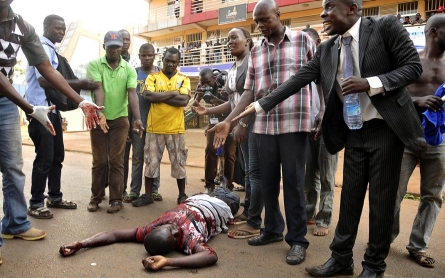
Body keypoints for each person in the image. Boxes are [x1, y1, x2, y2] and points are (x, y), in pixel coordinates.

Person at [230, 0, 423, 276]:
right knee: (351, 198)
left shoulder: (385, 27)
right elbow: (296, 80)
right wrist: (255, 108)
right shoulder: (327, 48)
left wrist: (370, 83)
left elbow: (412, 67)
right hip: (353, 129)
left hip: (386, 129)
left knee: (380, 201)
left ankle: (374, 266)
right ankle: (341, 258)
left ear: (352, 9)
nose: (322, 13)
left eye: (329, 6)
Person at [209, 0, 315, 265]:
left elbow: (318, 78)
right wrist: (230, 121)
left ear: (278, 15)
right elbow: (249, 91)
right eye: (257, 22)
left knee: (292, 183)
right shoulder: (256, 51)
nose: (261, 26)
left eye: (265, 19)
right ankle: (272, 230)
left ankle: (298, 240)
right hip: (265, 125)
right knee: (267, 182)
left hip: (295, 123)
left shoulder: (303, 41)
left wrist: (320, 114)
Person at [0, 0, 102, 265]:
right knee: (41, 159)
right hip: (17, 99)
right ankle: (33, 205)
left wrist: (81, 101)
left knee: (13, 166)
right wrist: (31, 108)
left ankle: (15, 224)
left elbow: (47, 68)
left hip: (6, 99)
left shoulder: (21, 25)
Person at [59, 179, 239, 272]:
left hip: (196, 197)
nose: (177, 230)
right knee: (233, 192)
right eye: (174, 237)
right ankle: (223, 186)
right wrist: (168, 262)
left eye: (169, 230)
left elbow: (114, 235)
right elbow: (211, 257)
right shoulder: (189, 240)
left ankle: (219, 185)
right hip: (224, 203)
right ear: (174, 245)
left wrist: (81, 243)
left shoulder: (150, 228)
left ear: (158, 228)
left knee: (217, 186)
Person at [25, 14, 99, 219]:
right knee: (45, 158)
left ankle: (55, 197)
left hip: (52, 111)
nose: (62, 31)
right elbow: (44, 81)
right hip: (41, 112)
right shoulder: (40, 47)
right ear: (46, 27)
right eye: (57, 28)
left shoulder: (51, 49)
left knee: (57, 156)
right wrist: (79, 84)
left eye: (64, 28)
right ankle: (36, 203)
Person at [192, 28, 262, 239]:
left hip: (252, 122)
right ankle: (248, 210)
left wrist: (241, 122)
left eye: (234, 38)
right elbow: (232, 103)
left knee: (255, 171)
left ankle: (254, 218)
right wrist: (209, 110)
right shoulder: (233, 66)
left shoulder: (252, 60)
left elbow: (253, 96)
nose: (230, 42)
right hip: (239, 123)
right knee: (249, 170)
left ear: (247, 41)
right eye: (227, 39)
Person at [391, 14, 445, 268]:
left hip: (439, 141)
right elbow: (392, 98)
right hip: (406, 136)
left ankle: (418, 246)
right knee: (393, 192)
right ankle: (383, 238)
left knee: (432, 196)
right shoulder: (411, 62)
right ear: (434, 32)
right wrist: (418, 102)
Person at [87, 31, 144, 214]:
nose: (114, 49)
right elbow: (98, 89)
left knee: (117, 161)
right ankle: (96, 197)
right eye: (110, 46)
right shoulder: (95, 65)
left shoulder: (128, 69)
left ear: (122, 47)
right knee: (100, 161)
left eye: (117, 46)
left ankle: (116, 200)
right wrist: (100, 112)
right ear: (104, 46)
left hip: (120, 120)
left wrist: (137, 119)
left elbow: (132, 94)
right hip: (98, 118)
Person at [301, 28, 338, 237]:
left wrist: (324, 113)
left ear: (316, 42)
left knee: (326, 175)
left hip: (329, 128)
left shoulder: (329, 62)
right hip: (308, 127)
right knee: (310, 175)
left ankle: (324, 218)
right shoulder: (306, 67)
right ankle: (309, 212)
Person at [142, 47, 191, 206]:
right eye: (168, 60)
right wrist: (173, 93)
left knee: (179, 164)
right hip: (154, 128)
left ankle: (182, 195)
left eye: (174, 61)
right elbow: (148, 96)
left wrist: (159, 97)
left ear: (178, 62)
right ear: (162, 59)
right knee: (151, 163)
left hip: (176, 129)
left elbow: (183, 101)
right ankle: (148, 195)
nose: (170, 64)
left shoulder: (184, 78)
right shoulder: (153, 77)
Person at [123, 43, 163, 206]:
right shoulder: (134, 73)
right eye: (143, 55)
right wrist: (128, 125)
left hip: (156, 124)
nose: (147, 58)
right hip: (137, 124)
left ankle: (153, 189)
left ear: (154, 56)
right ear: (139, 56)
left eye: (150, 55)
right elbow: (130, 101)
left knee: (154, 158)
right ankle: (134, 190)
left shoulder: (161, 73)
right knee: (138, 158)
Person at [192, 68, 234, 193]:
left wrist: (219, 100)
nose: (206, 85)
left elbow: (234, 105)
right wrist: (199, 95)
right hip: (213, 122)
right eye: (202, 82)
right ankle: (209, 186)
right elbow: (194, 107)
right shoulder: (201, 87)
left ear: (214, 79)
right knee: (210, 151)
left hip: (229, 122)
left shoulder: (225, 85)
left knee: (229, 154)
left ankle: (227, 186)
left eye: (208, 82)